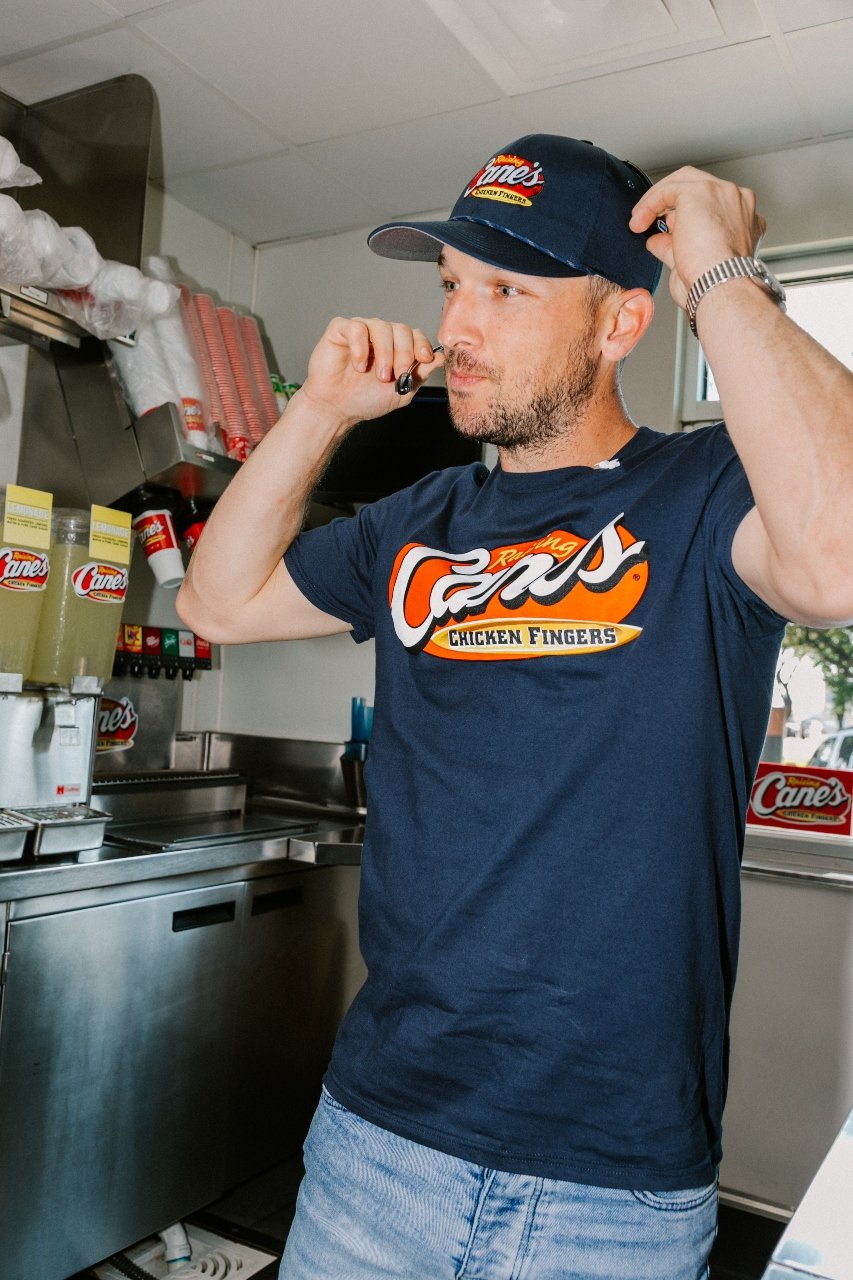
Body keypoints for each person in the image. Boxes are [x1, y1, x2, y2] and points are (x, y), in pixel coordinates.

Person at [176, 134, 853, 1280]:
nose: (457, 327)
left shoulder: (704, 495)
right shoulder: (418, 519)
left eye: (505, 289)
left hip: (610, 1185)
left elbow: (837, 562)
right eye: (449, 286)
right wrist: (321, 412)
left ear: (617, 323)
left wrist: (722, 282)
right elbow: (217, 599)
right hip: (373, 1143)